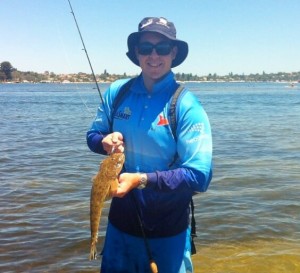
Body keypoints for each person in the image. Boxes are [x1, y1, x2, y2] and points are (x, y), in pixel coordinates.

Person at [86, 17, 213, 273]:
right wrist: (104, 141)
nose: (153, 55)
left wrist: (142, 179)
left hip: (169, 230)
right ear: (137, 52)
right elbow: (93, 135)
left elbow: (200, 177)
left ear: (174, 52)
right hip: (120, 226)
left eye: (162, 48)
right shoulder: (117, 92)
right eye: (146, 48)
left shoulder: (186, 105)